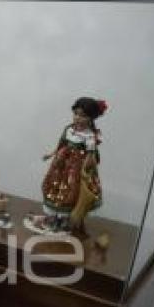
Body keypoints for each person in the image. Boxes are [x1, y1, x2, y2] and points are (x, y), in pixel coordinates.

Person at [35, 97, 107, 234]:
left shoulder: (89, 136)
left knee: (71, 191)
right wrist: (51, 154)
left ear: (91, 118)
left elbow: (91, 155)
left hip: (76, 168)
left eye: (83, 116)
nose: (78, 118)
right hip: (61, 165)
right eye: (76, 114)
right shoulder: (68, 129)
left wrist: (86, 169)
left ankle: (65, 220)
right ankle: (55, 217)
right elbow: (61, 145)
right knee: (55, 187)